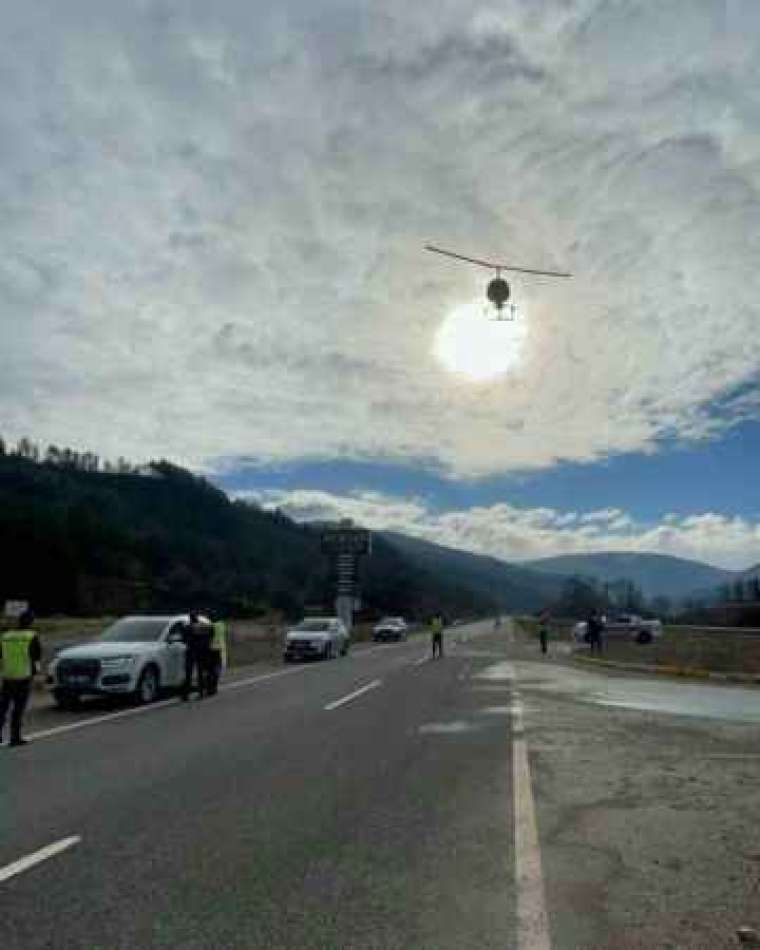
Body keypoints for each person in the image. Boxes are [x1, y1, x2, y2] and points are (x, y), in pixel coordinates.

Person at [0, 609, 41, 747]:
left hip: (7, 675)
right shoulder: (31, 636)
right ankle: (15, 737)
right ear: (31, 622)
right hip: (23, 676)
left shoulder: (6, 635)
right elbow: (36, 658)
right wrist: (37, 675)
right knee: (18, 709)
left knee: (3, 707)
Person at [181, 611, 213, 700]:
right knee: (201, 672)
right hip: (203, 651)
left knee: (188, 673)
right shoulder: (205, 627)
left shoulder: (188, 627)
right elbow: (211, 636)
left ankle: (186, 694)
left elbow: (184, 639)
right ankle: (201, 692)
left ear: (190, 618)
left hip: (191, 651)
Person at [206, 614, 227, 696]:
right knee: (217, 668)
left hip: (212, 648)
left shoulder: (212, 626)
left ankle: (211, 688)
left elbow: (209, 636)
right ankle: (214, 687)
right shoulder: (222, 624)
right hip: (220, 648)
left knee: (211, 669)